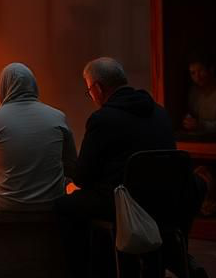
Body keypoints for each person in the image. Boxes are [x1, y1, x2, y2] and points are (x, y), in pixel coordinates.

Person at [55, 57, 180, 277]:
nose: (91, 97)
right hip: (165, 200)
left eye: (89, 91)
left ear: (98, 88)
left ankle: (85, 271)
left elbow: (83, 177)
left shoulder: (103, 119)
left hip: (124, 205)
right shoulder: (160, 112)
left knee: (65, 206)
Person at [0, 63, 77, 211]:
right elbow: (71, 165)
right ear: (33, 85)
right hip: (52, 202)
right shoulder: (58, 117)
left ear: (3, 87)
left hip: (4, 203)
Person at [183, 57, 216, 138]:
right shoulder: (194, 91)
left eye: (201, 71)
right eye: (193, 73)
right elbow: (193, 116)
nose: (197, 77)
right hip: (200, 140)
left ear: (211, 70)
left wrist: (203, 125)